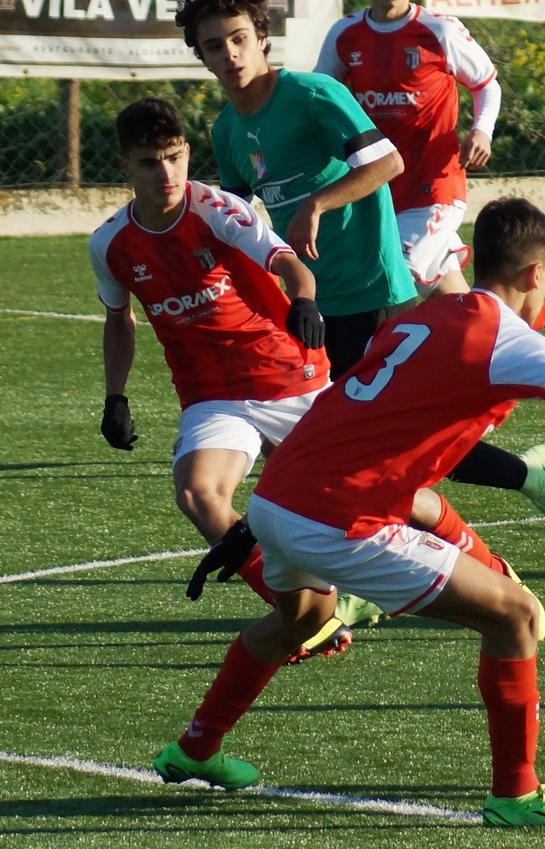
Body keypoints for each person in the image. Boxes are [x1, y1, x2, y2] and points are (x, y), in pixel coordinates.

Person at [150, 198, 545, 828]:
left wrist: (261, 522)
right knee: (516, 615)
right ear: (537, 275)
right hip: (338, 519)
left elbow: (359, 422)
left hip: (279, 497)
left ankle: (196, 748)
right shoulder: (505, 338)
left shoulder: (430, 315)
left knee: (298, 621)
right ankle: (517, 796)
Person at [179, 0, 545, 546]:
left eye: (239, 38)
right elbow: (241, 218)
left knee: (402, 443)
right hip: (311, 307)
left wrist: (316, 204)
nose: (229, 54)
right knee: (327, 448)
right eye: (214, 46)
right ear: (199, 56)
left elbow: (387, 164)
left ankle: (502, 510)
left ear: (262, 38)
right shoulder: (228, 129)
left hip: (373, 295)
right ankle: (365, 564)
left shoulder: (313, 95)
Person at [89, 96, 377, 659]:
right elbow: (118, 318)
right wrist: (115, 396)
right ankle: (305, 616)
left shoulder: (215, 209)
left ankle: (485, 567)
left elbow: (287, 261)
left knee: (378, 496)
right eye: (149, 162)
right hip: (212, 398)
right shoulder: (110, 244)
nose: (165, 173)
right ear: (125, 166)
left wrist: (306, 300)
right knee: (199, 495)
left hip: (288, 377)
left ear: (187, 153)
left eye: (174, 157)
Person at [316, 0, 545, 372]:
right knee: (479, 313)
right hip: (379, 195)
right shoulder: (345, 36)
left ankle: (387, 387)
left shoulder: (439, 31)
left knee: (391, 284)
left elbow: (487, 84)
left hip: (435, 190)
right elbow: (324, 99)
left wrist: (482, 131)